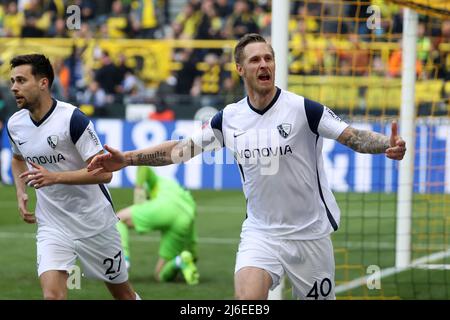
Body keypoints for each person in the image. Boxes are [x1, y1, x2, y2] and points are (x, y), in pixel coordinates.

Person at [87, 33, 406, 300]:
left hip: (310, 234)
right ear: (240, 69)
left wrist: (385, 144)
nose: (264, 64)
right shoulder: (229, 119)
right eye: (255, 60)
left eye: (268, 58)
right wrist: (127, 158)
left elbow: (352, 136)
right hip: (261, 232)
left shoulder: (302, 109)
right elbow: (180, 151)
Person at [6, 54, 140, 300]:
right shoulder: (15, 124)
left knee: (124, 296)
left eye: (21, 80)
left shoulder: (72, 119)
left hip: (94, 223)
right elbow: (17, 158)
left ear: (43, 83)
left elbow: (105, 173)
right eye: (12, 81)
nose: (14, 87)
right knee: (53, 296)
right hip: (52, 224)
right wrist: (20, 191)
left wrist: (55, 178)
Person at [116, 166, 199, 285]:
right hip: (184, 221)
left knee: (118, 219)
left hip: (164, 208)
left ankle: (124, 260)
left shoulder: (157, 182)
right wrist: (193, 254)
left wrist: (139, 194)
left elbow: (143, 166)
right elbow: (192, 236)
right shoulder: (181, 192)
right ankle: (179, 261)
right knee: (160, 274)